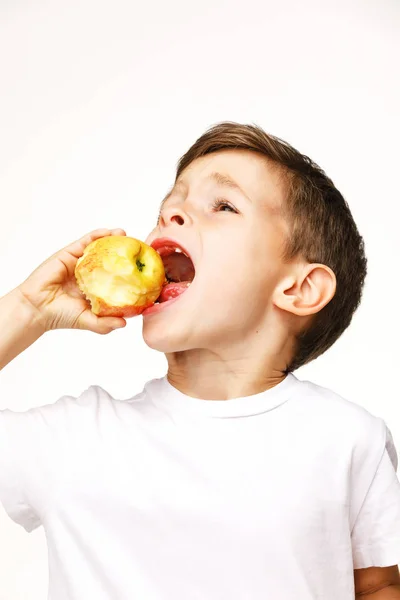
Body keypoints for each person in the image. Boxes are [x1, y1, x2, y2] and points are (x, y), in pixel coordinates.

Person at [1, 122, 399, 599]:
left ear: (297, 288)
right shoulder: (75, 437)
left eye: (223, 206)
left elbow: (378, 585)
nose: (172, 215)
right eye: (169, 208)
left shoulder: (348, 439)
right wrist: (27, 309)